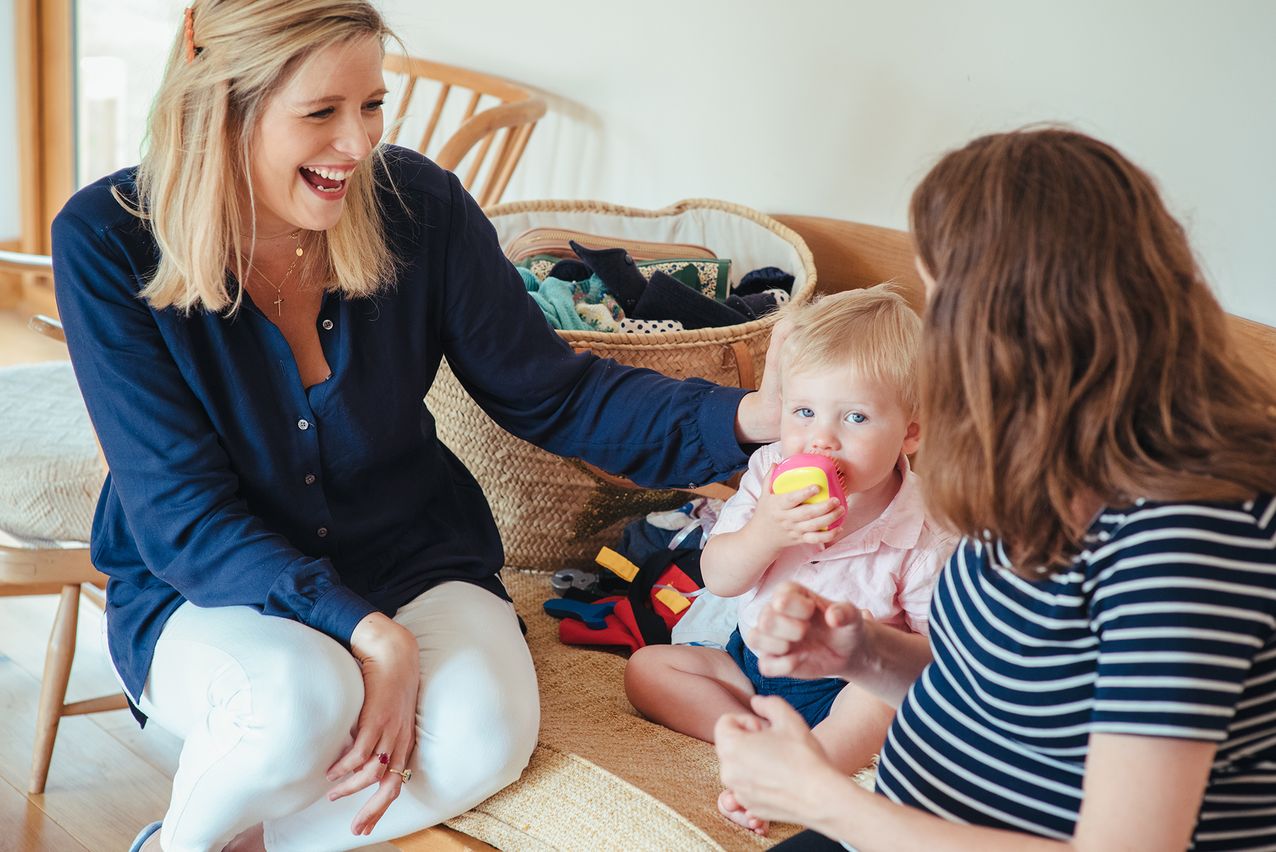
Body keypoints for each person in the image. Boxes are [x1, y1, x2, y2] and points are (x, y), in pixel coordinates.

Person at [50, 3, 781, 850]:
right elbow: (181, 513)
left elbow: (557, 394)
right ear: (223, 98)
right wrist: (372, 637)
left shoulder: (418, 205)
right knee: (303, 699)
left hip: (409, 554)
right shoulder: (106, 238)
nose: (358, 145)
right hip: (212, 581)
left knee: (484, 739)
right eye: (321, 113)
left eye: (372, 105)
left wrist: (752, 415)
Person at [712, 127, 1276, 851]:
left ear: (1008, 322)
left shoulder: (1191, 534)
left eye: (941, 297)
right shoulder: (1044, 462)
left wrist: (821, 798)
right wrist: (860, 655)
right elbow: (991, 690)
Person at [625, 287, 953, 836]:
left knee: (882, 703)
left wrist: (868, 647)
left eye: (854, 417)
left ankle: (807, 774)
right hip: (751, 667)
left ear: (911, 433)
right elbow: (720, 580)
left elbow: (936, 665)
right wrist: (766, 532)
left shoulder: (923, 531)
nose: (821, 439)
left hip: (844, 687)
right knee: (649, 670)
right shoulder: (770, 471)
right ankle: (761, 739)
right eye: (804, 411)